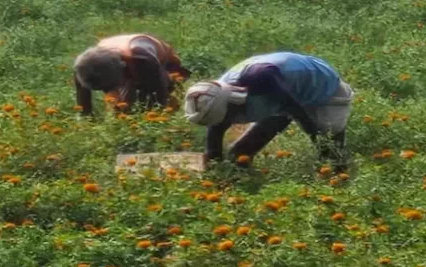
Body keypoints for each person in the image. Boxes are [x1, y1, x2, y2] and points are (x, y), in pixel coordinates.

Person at [184, 52, 353, 168]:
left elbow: (295, 110)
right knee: (239, 154)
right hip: (282, 94)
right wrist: (216, 171)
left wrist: (321, 142)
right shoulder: (215, 98)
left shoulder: (261, 78)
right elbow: (214, 143)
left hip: (322, 86)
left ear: (233, 104)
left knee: (330, 147)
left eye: (228, 116)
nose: (225, 121)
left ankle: (339, 185)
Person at [74, 34, 190, 116]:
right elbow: (83, 104)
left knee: (153, 102)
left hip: (164, 65)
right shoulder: (84, 66)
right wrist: (86, 116)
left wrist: (157, 117)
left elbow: (159, 95)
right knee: (120, 109)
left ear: (121, 70)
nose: (105, 91)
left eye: (107, 87)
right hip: (122, 65)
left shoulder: (144, 59)